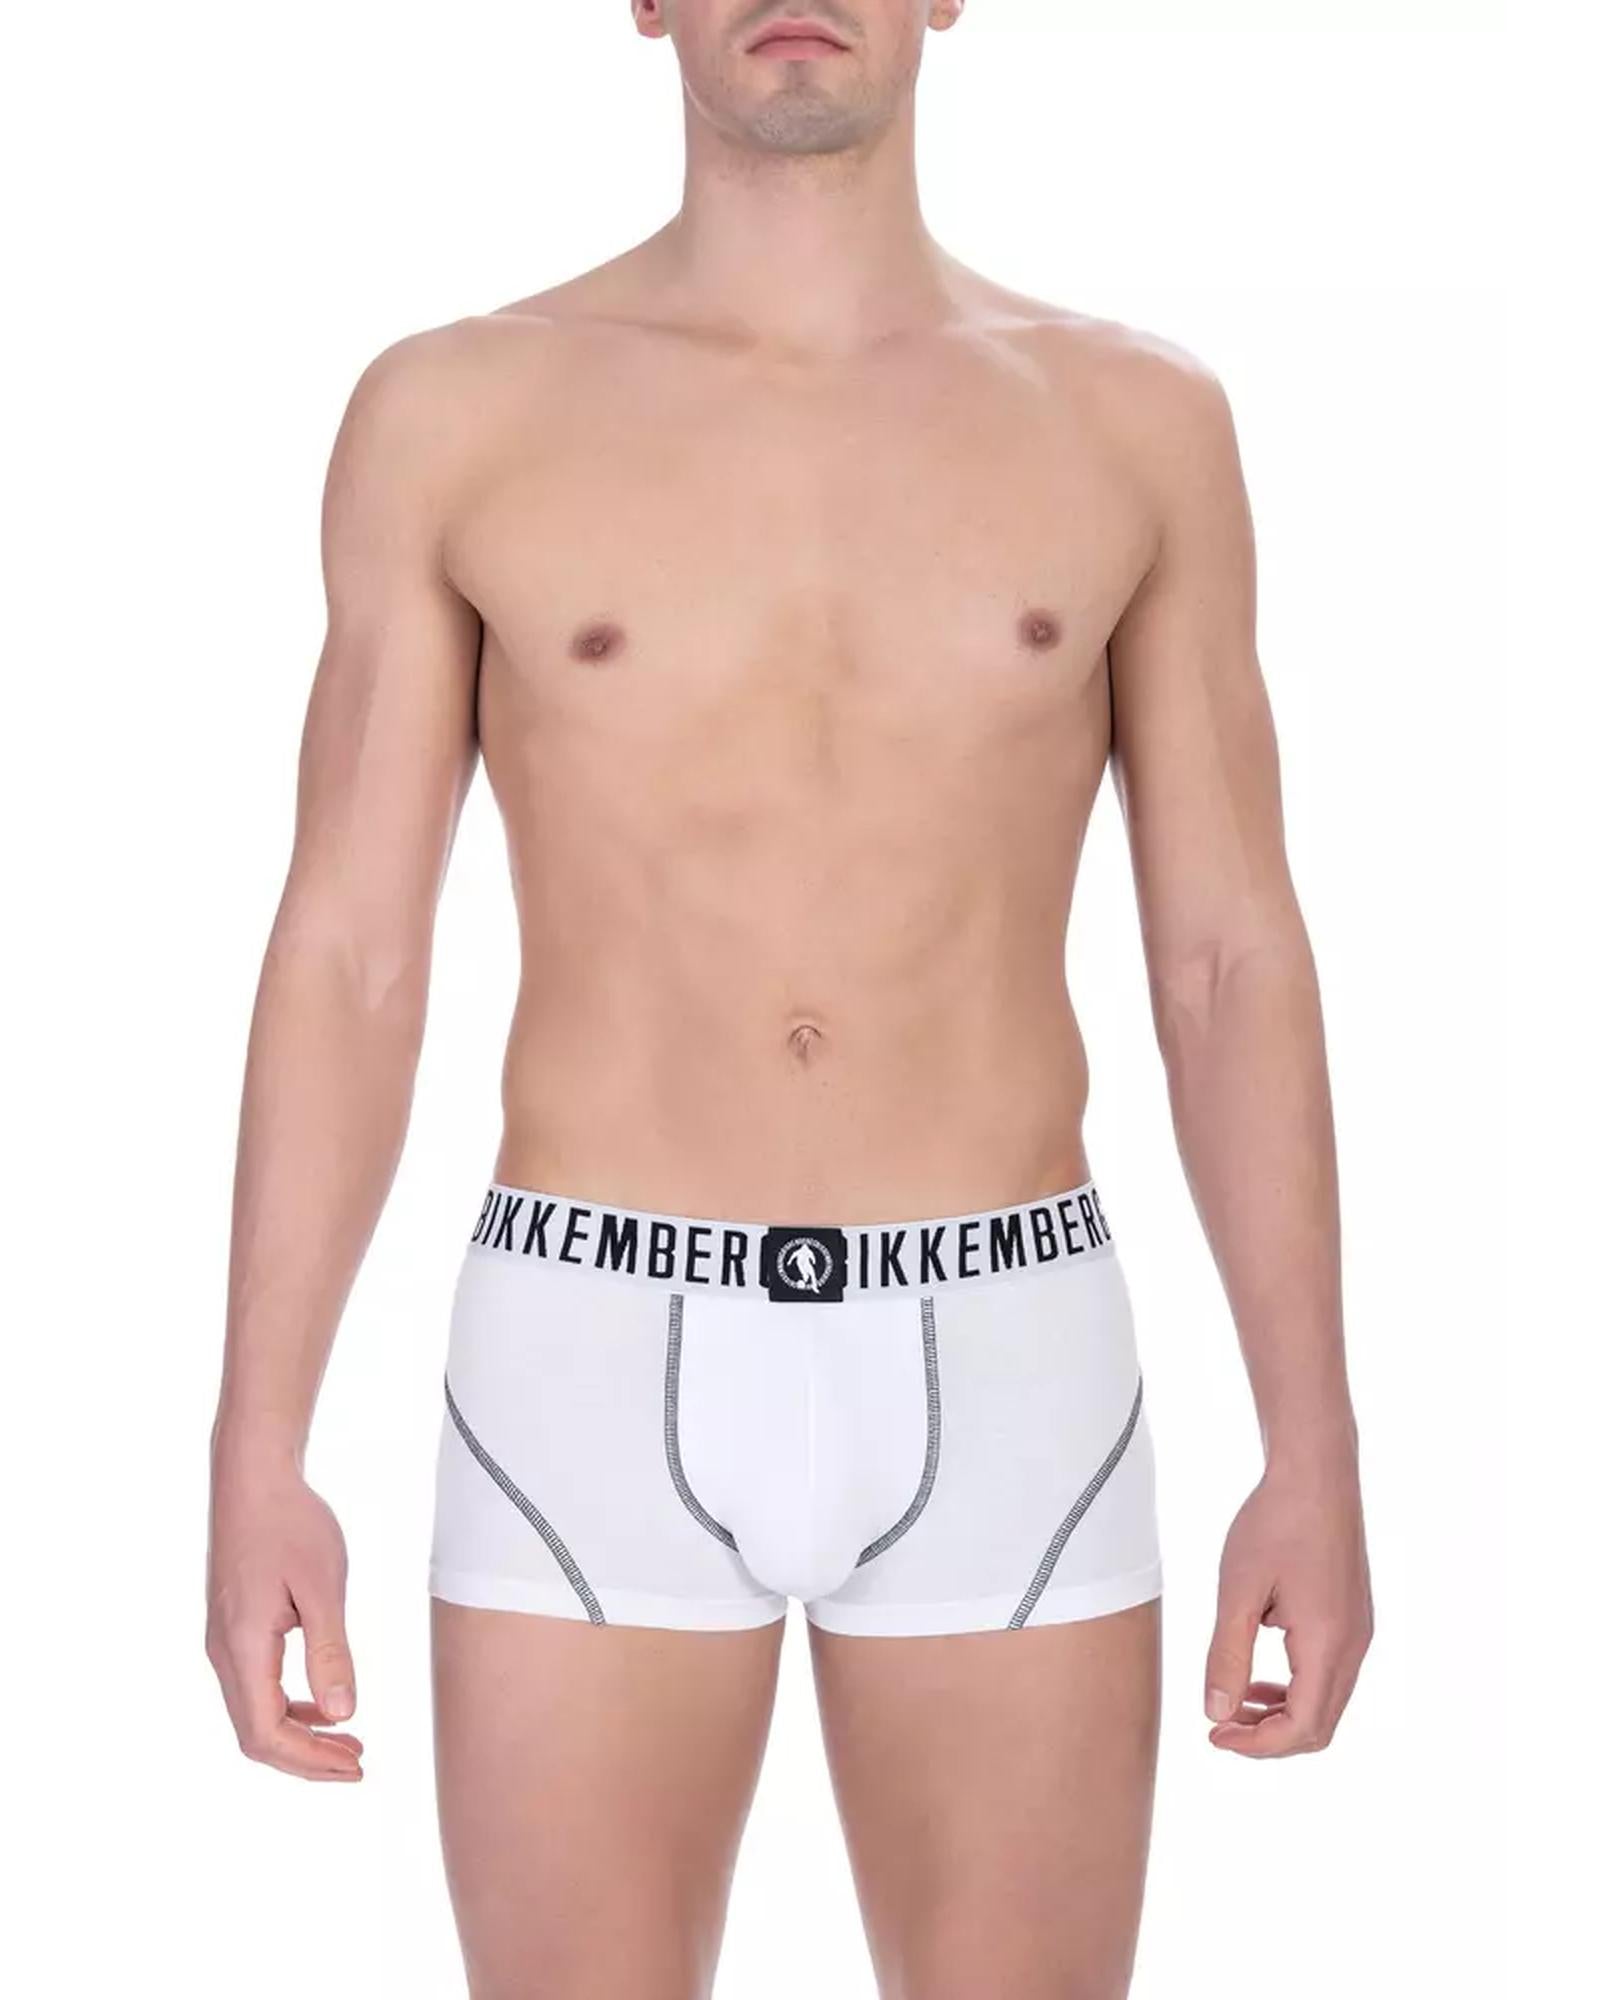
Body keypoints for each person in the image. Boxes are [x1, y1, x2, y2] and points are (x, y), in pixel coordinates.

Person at [205, 4, 1374, 1994]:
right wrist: (258, 1446)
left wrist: (1312, 1441)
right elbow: (350, 952)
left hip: (1009, 1353)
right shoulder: (459, 412)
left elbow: (1227, 955)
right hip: (584, 1350)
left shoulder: (1129, 422)